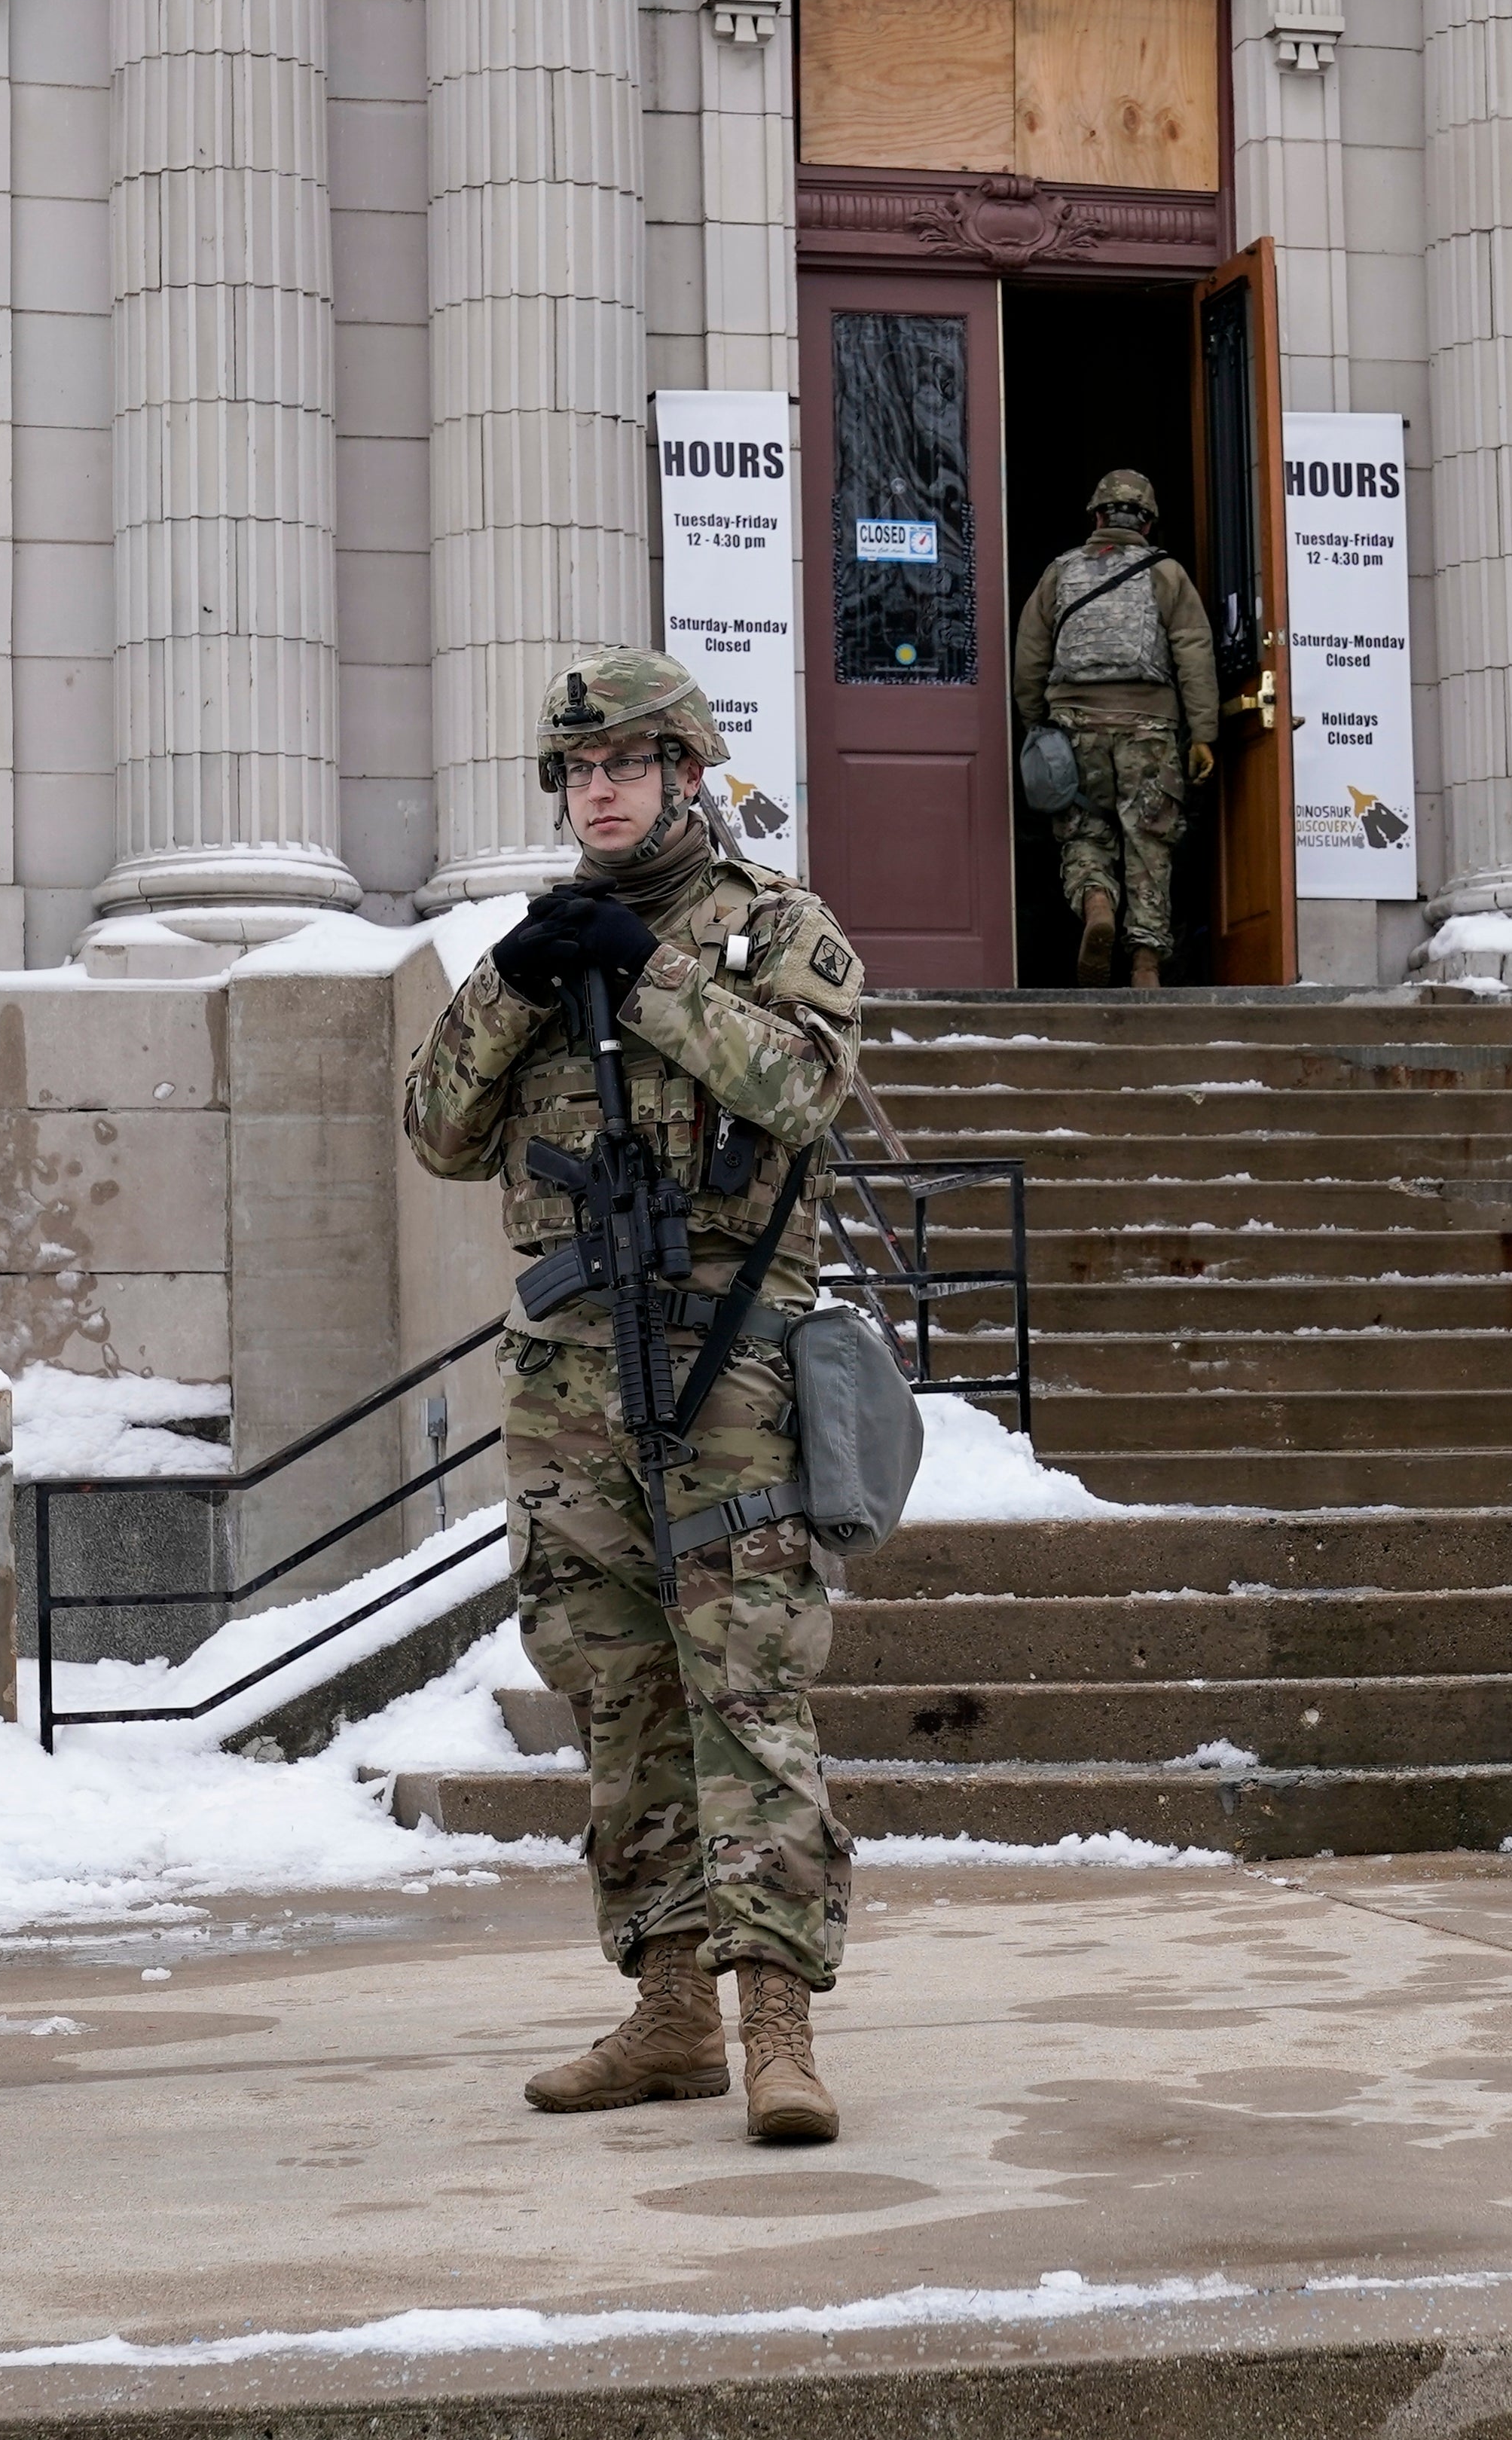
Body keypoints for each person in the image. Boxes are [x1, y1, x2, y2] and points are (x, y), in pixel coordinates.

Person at [402, 651, 865, 2145]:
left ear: (686, 771)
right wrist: (512, 982)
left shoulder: (773, 925)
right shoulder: (535, 949)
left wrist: (650, 974)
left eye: (622, 764)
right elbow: (438, 1132)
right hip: (567, 1382)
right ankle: (670, 2011)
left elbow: (804, 1092)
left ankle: (778, 2026)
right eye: (575, 772)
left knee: (748, 1694)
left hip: (725, 1366)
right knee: (620, 1703)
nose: (595, 791)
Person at [1010, 466, 1216, 985]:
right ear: (1148, 524)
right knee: (1150, 841)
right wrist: (1204, 733)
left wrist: (1038, 722)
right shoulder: (1167, 575)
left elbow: (1030, 654)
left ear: (1097, 517)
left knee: (1083, 832)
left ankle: (1097, 903)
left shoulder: (1060, 572)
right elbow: (1193, 651)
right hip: (1149, 728)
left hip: (1074, 726)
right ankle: (1146, 961)